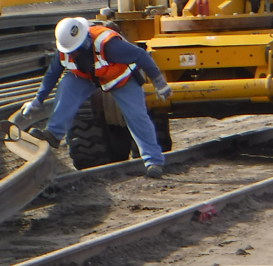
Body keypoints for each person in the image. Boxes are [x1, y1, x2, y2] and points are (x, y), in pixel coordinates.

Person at [22, 17, 171, 178]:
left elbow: (141, 56)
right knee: (67, 85)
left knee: (136, 116)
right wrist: (38, 100)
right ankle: (53, 133)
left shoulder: (109, 45)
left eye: (76, 49)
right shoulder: (64, 51)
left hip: (121, 79)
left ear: (85, 40)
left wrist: (159, 83)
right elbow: (52, 74)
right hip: (87, 77)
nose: (74, 53)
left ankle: (153, 162)